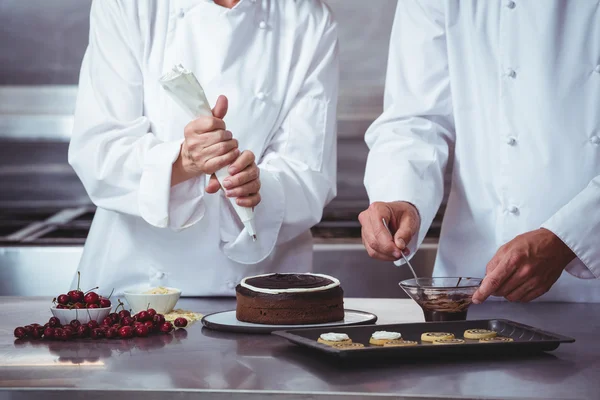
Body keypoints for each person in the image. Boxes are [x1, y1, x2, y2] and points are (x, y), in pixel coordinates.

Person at [69, 0, 338, 296]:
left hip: (261, 290)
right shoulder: (128, 5)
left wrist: (258, 186)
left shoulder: (307, 18)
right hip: (135, 289)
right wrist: (183, 162)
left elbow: (310, 171)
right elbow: (99, 150)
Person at [360, 0, 600, 303]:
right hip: (472, 281)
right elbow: (416, 118)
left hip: (592, 283)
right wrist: (401, 197)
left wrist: (571, 238)